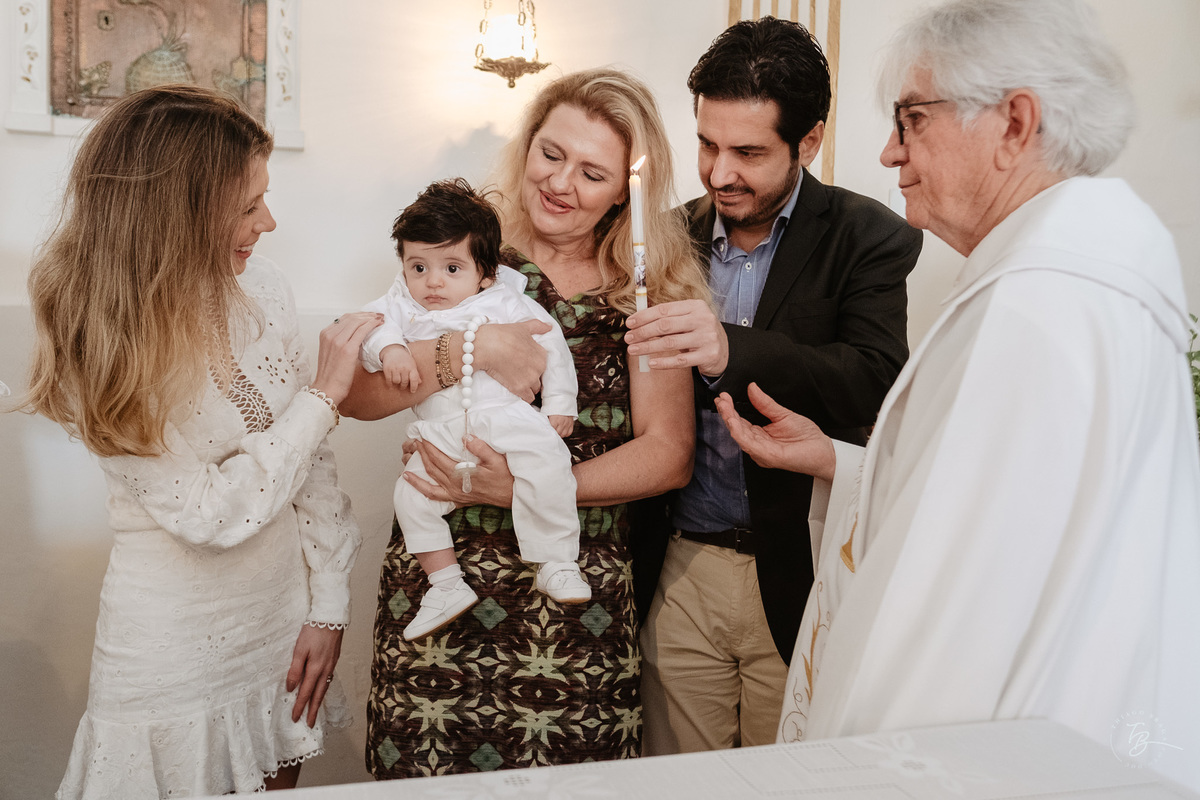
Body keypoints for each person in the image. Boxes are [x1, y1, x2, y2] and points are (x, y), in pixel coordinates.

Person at [714, 0, 1200, 791]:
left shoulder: (1043, 302)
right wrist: (838, 460)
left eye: (911, 119)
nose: (890, 151)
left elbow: (951, 607)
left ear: (1014, 123)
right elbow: (1007, 516)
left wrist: (857, 773)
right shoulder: (1072, 268)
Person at [350, 68, 710, 777]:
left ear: (621, 193)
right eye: (551, 154)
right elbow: (362, 396)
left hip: (576, 600)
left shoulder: (645, 289)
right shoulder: (459, 255)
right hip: (443, 582)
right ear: (526, 148)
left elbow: (668, 454)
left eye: (592, 172)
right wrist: (470, 346)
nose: (561, 183)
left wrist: (519, 487)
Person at [21, 85, 376, 797]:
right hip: (171, 650)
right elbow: (209, 512)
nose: (268, 221)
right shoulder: (103, 338)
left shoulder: (264, 290)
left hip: (280, 622)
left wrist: (327, 607)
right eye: (248, 206)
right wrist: (322, 396)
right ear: (173, 214)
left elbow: (311, 469)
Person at [624, 17, 922, 754]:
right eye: (707, 145)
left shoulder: (870, 236)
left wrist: (734, 349)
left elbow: (876, 383)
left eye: (748, 152)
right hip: (679, 566)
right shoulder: (663, 237)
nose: (720, 172)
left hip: (799, 565)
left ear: (809, 141)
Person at [359, 178, 590, 641]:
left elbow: (551, 345)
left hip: (504, 418)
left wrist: (561, 403)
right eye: (418, 266)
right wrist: (391, 353)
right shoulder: (401, 302)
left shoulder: (504, 300)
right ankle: (445, 584)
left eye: (451, 267)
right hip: (439, 428)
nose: (432, 282)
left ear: (485, 272)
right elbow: (370, 328)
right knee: (411, 495)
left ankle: (557, 561)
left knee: (548, 461)